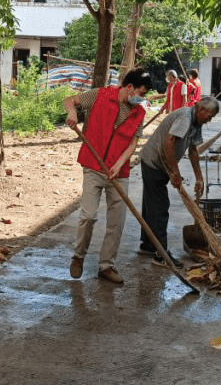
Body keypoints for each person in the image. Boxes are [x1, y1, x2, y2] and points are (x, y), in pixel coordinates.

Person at [63, 68, 153, 284]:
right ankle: (78, 256)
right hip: (93, 165)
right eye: (140, 92)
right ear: (128, 87)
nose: (141, 97)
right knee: (88, 216)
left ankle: (106, 266)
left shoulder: (139, 112)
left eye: (144, 94)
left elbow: (133, 144)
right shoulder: (100, 95)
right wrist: (73, 113)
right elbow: (69, 100)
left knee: (117, 221)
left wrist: (119, 164)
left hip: (118, 172)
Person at [138, 97, 220, 268]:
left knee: (151, 203)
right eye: (210, 116)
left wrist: (199, 177)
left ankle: (147, 245)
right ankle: (161, 255)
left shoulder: (196, 123)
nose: (209, 120)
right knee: (160, 207)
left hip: (161, 163)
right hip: (154, 161)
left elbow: (193, 151)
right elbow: (169, 143)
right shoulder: (186, 117)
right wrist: (175, 172)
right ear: (201, 110)